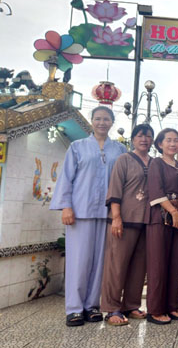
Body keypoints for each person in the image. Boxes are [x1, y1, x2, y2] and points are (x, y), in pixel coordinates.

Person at [50, 106, 126, 327]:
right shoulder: (77, 147)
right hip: (80, 212)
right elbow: (66, 178)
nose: (102, 122)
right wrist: (66, 206)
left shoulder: (119, 149)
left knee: (100, 262)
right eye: (98, 119)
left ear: (112, 122)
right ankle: (74, 309)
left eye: (106, 119)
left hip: (107, 214)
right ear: (92, 121)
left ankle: (92, 306)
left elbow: (122, 182)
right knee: (78, 261)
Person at [101, 123, 154, 325]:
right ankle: (112, 309)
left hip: (146, 222)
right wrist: (116, 218)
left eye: (148, 136)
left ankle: (131, 305)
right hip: (123, 221)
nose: (144, 139)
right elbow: (115, 189)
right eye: (140, 136)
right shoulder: (124, 160)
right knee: (116, 265)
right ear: (133, 139)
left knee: (139, 267)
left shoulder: (154, 162)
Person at [145, 128, 178, 325]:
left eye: (176, 140)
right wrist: (173, 212)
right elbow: (155, 190)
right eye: (168, 140)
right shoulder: (156, 163)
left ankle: (172, 306)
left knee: (176, 262)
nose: (173, 144)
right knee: (158, 263)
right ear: (160, 144)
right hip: (161, 218)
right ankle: (155, 310)